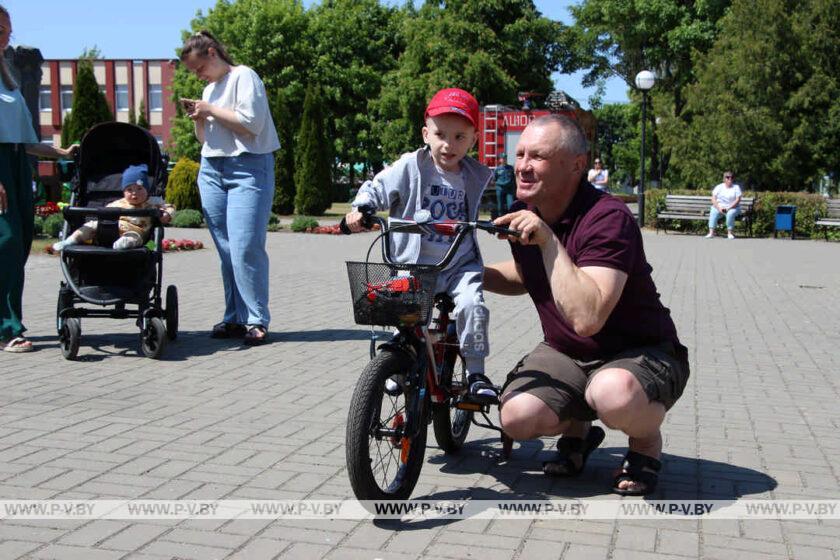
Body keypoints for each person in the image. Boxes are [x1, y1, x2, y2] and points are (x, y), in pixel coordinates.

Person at [484, 115, 690, 495]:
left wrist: (547, 240)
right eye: (521, 154)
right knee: (515, 417)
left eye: (538, 156)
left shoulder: (607, 218)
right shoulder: (527, 210)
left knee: (612, 394)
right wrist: (472, 276)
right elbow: (528, 274)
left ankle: (645, 443)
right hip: (567, 353)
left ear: (577, 165)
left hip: (641, 352)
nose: (524, 165)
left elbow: (587, 317)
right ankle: (579, 428)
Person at [344, 88, 498, 402]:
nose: (449, 144)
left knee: (473, 305)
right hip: (414, 263)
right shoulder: (412, 166)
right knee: (399, 309)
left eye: (459, 137)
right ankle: (397, 364)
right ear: (426, 133)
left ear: (474, 140)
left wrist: (507, 221)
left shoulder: (473, 175)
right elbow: (379, 186)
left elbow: (505, 205)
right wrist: (361, 208)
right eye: (440, 134)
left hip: (459, 264)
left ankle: (476, 373)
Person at [180, 30, 280, 346]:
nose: (198, 75)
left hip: (248, 167)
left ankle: (256, 320)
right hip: (212, 168)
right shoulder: (210, 90)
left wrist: (209, 110)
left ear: (212, 53)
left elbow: (252, 124)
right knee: (226, 250)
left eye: (199, 67)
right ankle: (234, 317)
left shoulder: (245, 76)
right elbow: (204, 139)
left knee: (245, 246)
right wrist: (199, 116)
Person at [0, 4, 77, 353]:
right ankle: (7, 328)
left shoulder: (8, 75)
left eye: (6, 29)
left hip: (17, 162)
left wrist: (60, 154)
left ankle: (10, 322)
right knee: (7, 243)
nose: (4, 34)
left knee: (19, 245)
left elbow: (26, 139)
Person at [52, 164, 173, 252]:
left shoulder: (152, 203)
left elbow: (169, 207)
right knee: (91, 225)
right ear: (124, 191)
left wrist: (166, 214)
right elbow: (105, 211)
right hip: (110, 227)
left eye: (139, 189)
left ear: (147, 189)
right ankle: (71, 240)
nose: (134, 193)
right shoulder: (119, 203)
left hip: (135, 230)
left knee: (134, 237)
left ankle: (124, 244)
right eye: (129, 190)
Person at [705, 171, 742, 239]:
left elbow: (738, 200)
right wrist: (719, 208)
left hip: (733, 208)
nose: (730, 179)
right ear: (724, 179)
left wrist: (729, 208)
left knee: (730, 214)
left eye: (731, 177)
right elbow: (713, 199)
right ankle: (711, 233)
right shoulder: (719, 187)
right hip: (719, 207)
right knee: (713, 211)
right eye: (727, 177)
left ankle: (729, 233)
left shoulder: (736, 187)